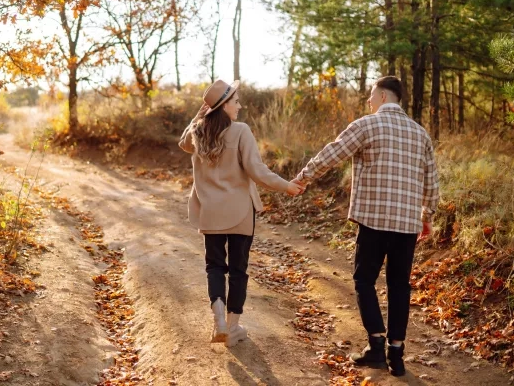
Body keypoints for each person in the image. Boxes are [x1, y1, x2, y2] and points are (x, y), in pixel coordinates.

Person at [291, 76, 439, 376]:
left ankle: (376, 345)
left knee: (363, 281)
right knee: (400, 286)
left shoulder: (367, 125)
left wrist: (303, 177)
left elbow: (332, 153)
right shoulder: (420, 134)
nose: (369, 102)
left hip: (373, 221)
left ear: (383, 96)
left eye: (372, 96)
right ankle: (396, 354)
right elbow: (431, 181)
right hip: (407, 224)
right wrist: (427, 217)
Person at [179, 79, 304, 347]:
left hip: (209, 212)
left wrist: (203, 112)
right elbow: (257, 171)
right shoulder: (241, 131)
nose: (240, 106)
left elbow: (183, 142)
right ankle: (232, 327)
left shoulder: (197, 133)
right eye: (235, 102)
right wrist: (287, 186)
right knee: (238, 270)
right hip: (240, 213)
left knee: (214, 266)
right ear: (223, 106)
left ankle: (219, 320)